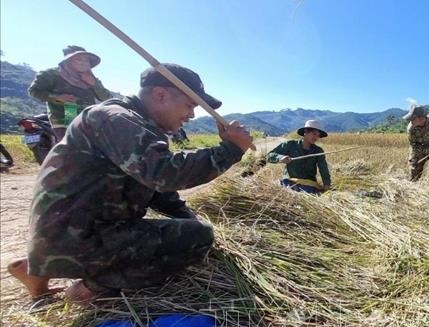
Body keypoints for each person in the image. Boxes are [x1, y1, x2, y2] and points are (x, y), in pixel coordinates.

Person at [8, 63, 253, 303]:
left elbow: (158, 190)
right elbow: (165, 174)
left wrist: (188, 218)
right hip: (78, 234)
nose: (190, 116)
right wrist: (230, 150)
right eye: (190, 106)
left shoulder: (136, 123)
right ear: (160, 94)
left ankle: (38, 268)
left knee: (190, 230)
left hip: (71, 232)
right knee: (198, 238)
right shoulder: (115, 119)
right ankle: (90, 288)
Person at [28, 45, 112, 142]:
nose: (84, 63)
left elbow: (107, 98)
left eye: (86, 60)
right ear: (68, 61)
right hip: (62, 120)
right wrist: (57, 97)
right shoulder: (50, 75)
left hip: (88, 120)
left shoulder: (91, 78)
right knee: (72, 150)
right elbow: (34, 91)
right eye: (79, 59)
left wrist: (94, 84)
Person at [266, 120, 331, 194]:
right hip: (290, 182)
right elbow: (269, 156)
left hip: (309, 185)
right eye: (314, 134)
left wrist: (327, 185)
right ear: (305, 132)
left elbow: (323, 169)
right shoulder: (290, 145)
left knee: (315, 193)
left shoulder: (318, 151)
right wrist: (280, 158)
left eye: (318, 135)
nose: (316, 137)